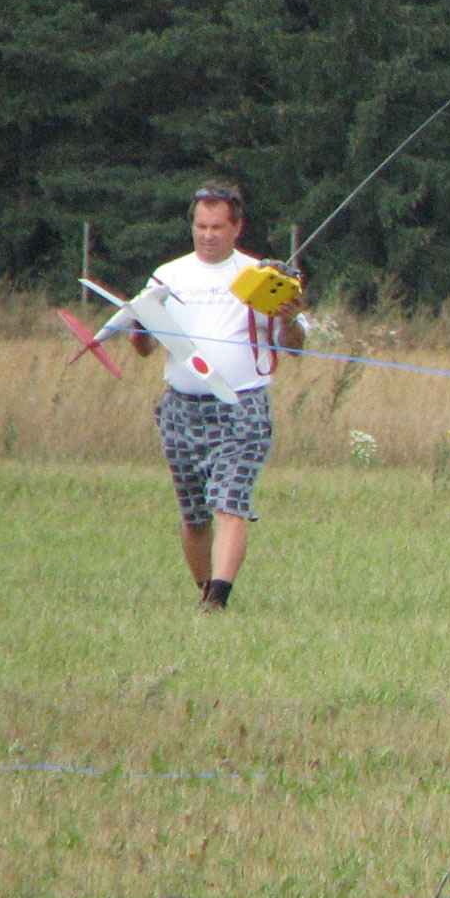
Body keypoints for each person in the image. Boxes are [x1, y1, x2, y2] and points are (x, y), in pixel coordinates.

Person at [128, 179, 305, 612]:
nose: (208, 236)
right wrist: (139, 324)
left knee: (230, 503)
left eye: (218, 227)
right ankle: (205, 590)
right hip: (181, 409)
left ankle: (219, 600)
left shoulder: (261, 276)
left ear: (236, 227)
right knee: (194, 516)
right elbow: (143, 347)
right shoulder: (168, 276)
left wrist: (289, 319)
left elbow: (294, 346)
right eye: (201, 226)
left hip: (242, 407)